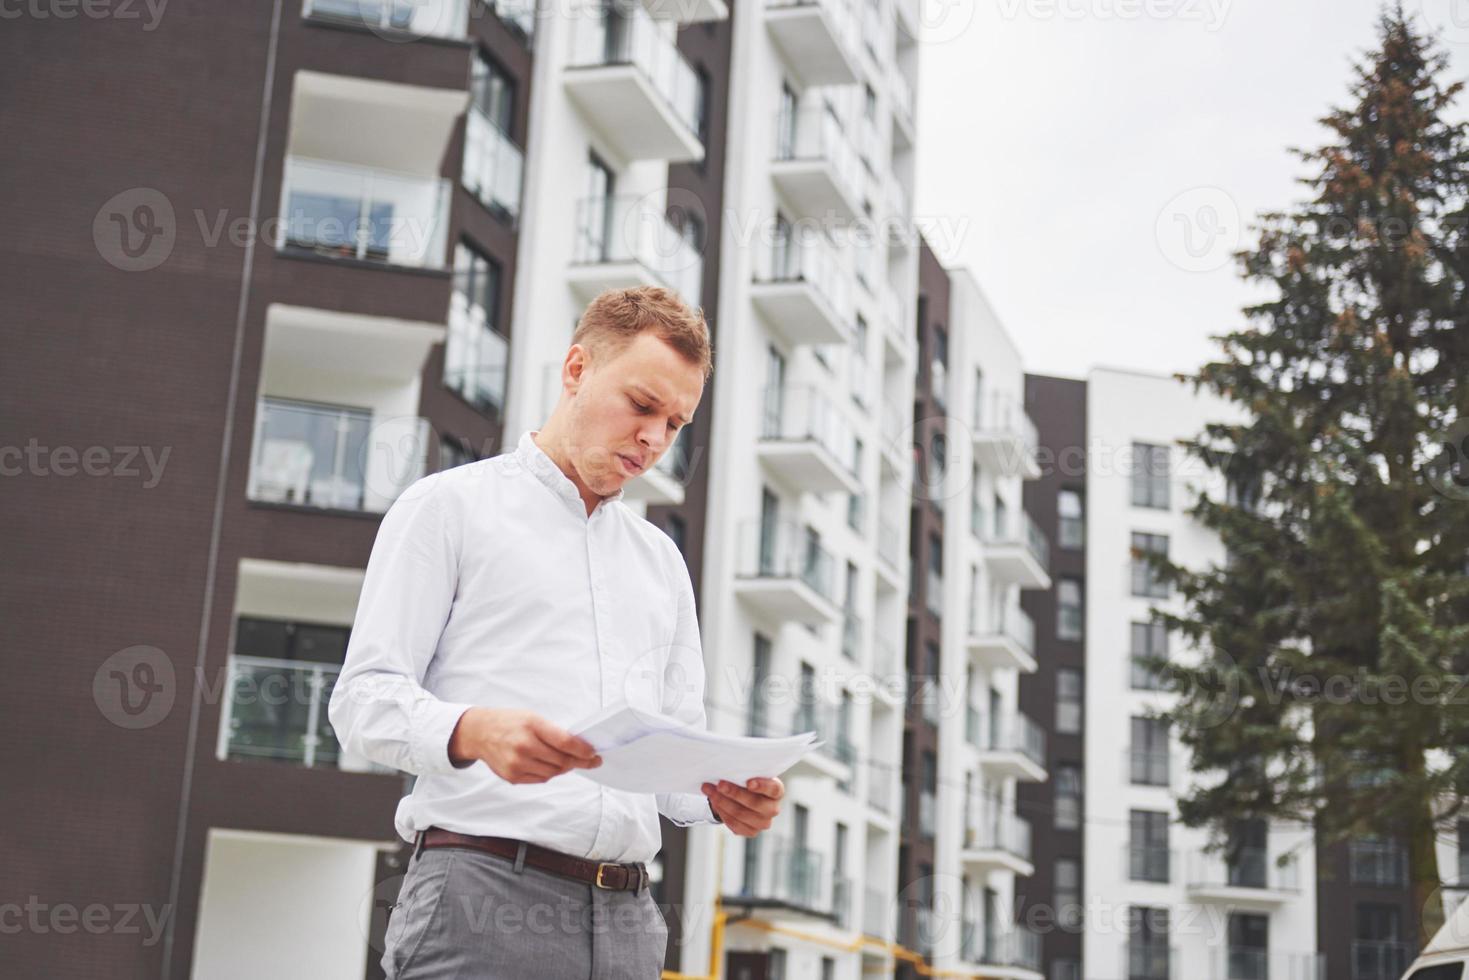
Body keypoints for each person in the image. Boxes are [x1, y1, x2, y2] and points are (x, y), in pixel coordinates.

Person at [328, 286, 784, 979]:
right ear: (576, 369)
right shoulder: (448, 508)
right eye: (640, 405)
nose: (654, 439)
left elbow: (674, 763)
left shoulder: (660, 561)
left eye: (674, 422)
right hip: (480, 899)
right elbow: (361, 701)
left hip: (629, 922)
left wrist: (724, 798)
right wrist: (472, 730)